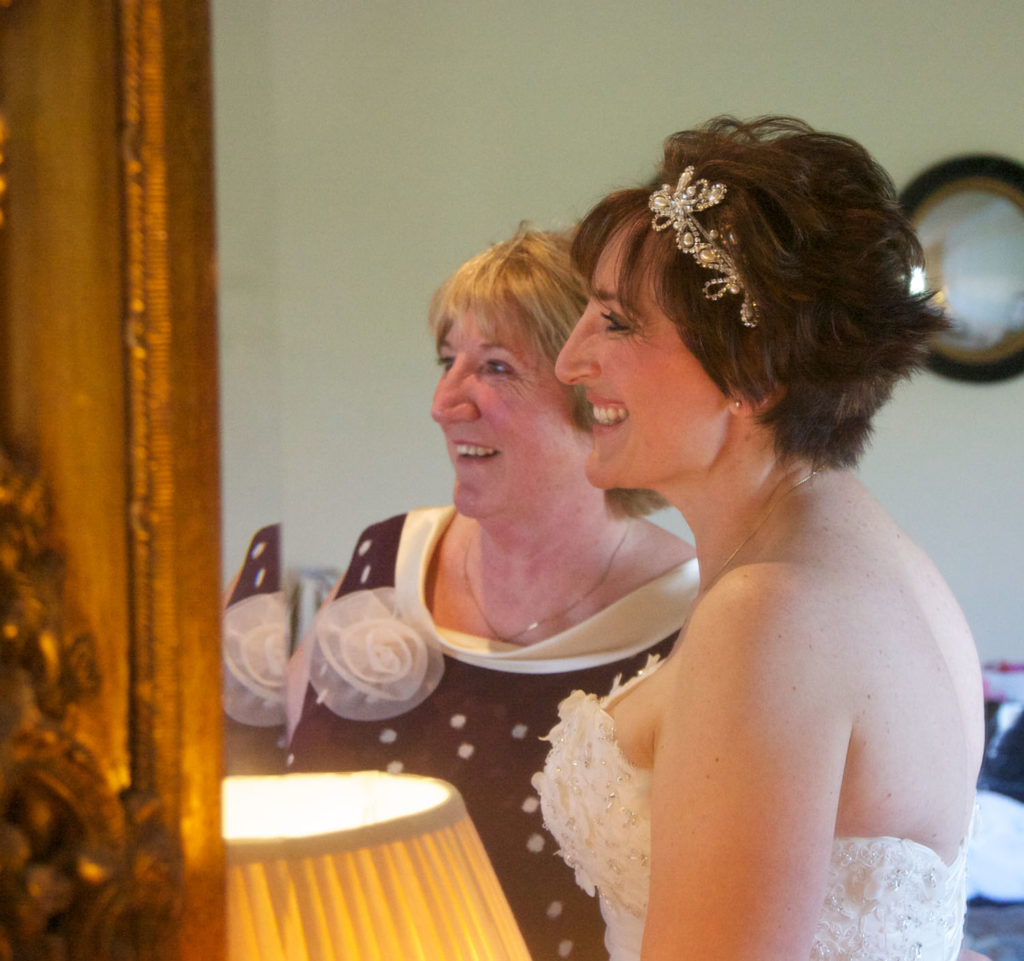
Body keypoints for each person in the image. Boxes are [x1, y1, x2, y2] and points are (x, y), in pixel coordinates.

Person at [532, 117, 986, 961]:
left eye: (617, 323)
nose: (570, 361)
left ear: (752, 371)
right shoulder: (885, 562)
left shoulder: (768, 612)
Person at [286, 226, 699, 961]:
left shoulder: (697, 618)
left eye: (497, 368)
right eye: (449, 361)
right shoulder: (385, 557)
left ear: (595, 396)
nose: (446, 403)